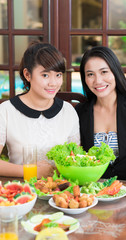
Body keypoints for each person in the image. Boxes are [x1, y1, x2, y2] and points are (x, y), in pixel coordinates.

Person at [75, 46, 126, 186]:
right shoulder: (80, 112)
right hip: (98, 189)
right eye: (90, 74)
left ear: (115, 72)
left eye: (104, 72)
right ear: (85, 79)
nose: (98, 81)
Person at [0, 41, 80, 179]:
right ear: (27, 75)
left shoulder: (68, 111)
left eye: (58, 75)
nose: (53, 83)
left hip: (60, 193)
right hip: (22, 193)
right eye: (45, 75)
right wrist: (32, 172)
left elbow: (75, 158)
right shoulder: (6, 111)